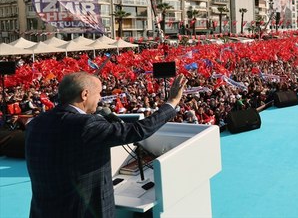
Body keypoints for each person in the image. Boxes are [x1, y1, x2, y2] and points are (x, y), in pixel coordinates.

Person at [25, 71, 187, 218]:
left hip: (43, 211)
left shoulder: (36, 123)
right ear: (85, 94)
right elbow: (138, 130)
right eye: (99, 93)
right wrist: (172, 102)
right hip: (82, 211)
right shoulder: (85, 124)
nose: (101, 98)